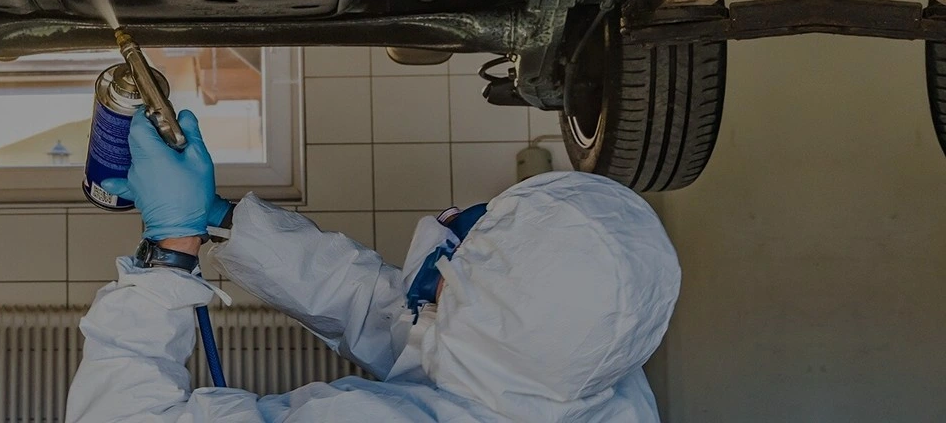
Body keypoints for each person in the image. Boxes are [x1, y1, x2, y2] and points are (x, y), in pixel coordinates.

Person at [66, 110, 682, 422]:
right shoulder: (582, 377)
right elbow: (383, 311)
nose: (448, 220)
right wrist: (219, 219)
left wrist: (170, 250)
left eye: (472, 239)